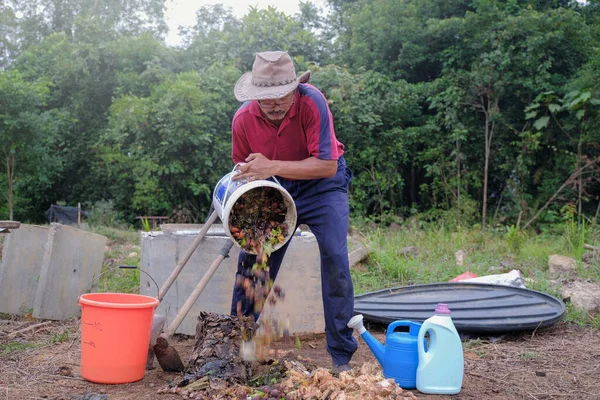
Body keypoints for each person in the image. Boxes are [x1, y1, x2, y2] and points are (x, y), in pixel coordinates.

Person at [228, 51, 356, 373]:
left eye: (281, 96)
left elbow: (326, 165)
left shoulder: (312, 103)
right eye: (266, 99)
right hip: (275, 189)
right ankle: (237, 350)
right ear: (255, 96)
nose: (275, 104)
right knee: (255, 259)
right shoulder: (243, 120)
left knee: (336, 258)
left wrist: (273, 165)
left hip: (322, 186)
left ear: (295, 88)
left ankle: (341, 355)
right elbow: (242, 171)